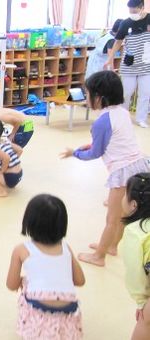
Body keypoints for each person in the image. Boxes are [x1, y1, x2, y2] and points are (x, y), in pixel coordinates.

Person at [61, 71, 149, 266]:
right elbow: (114, 141)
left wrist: (74, 152)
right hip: (139, 165)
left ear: (99, 97)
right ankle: (111, 246)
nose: (87, 97)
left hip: (123, 171)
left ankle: (99, 256)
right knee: (124, 214)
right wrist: (90, 145)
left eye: (88, 93)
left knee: (112, 217)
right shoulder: (123, 112)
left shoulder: (102, 121)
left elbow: (94, 153)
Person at [6, 194, 85, 340]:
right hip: (68, 310)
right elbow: (80, 280)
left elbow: (11, 285)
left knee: (27, 288)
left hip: (37, 308)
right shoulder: (66, 248)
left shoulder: (22, 250)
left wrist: (24, 281)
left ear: (29, 222)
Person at [105, 0, 150, 128]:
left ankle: (141, 118)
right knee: (126, 93)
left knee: (145, 93)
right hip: (129, 63)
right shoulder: (126, 23)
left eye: (134, 10)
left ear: (141, 7)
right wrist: (110, 57)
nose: (131, 13)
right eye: (130, 11)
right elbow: (118, 41)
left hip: (147, 63)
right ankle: (123, 117)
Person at [120, 173, 150, 339]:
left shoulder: (136, 233)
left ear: (133, 205)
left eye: (125, 193)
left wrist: (141, 301)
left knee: (145, 322)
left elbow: (135, 273)